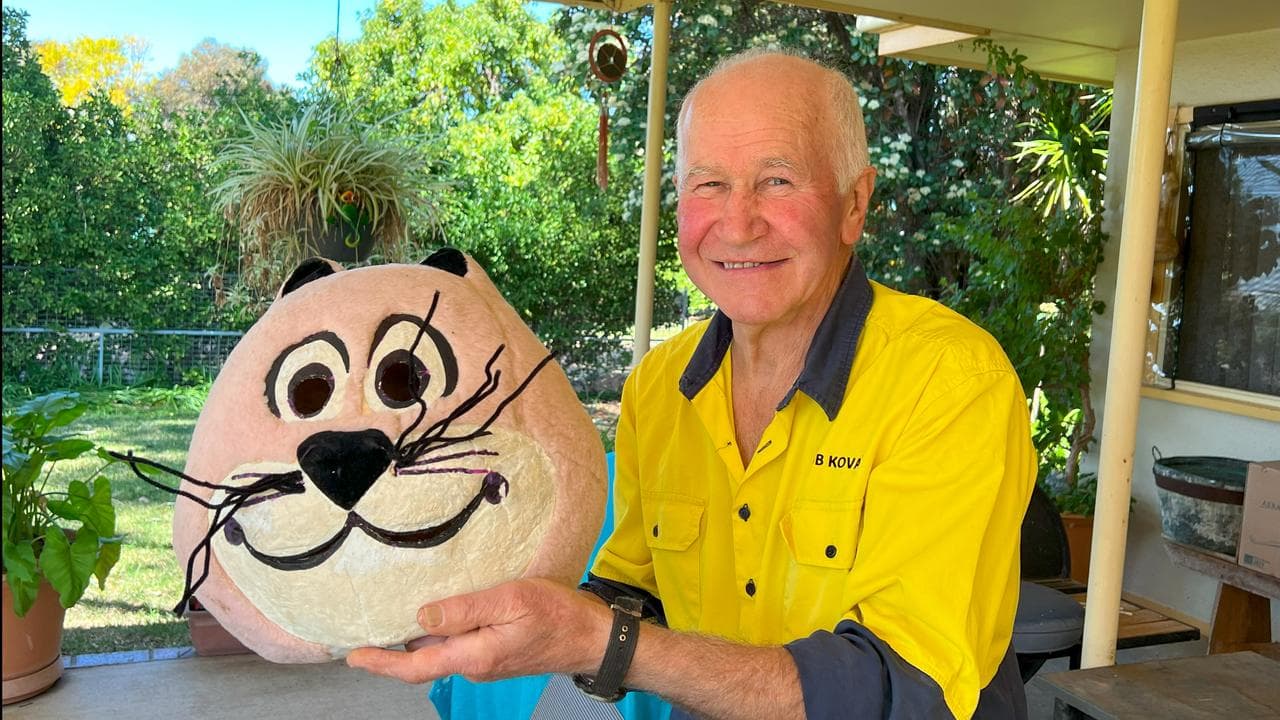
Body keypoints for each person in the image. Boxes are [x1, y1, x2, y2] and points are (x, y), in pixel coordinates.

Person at [349, 49, 1036, 720]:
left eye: (778, 180)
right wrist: (478, 601)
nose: (738, 224)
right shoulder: (660, 385)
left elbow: (908, 693)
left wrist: (608, 645)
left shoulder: (948, 380)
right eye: (708, 184)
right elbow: (632, 593)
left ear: (854, 205)